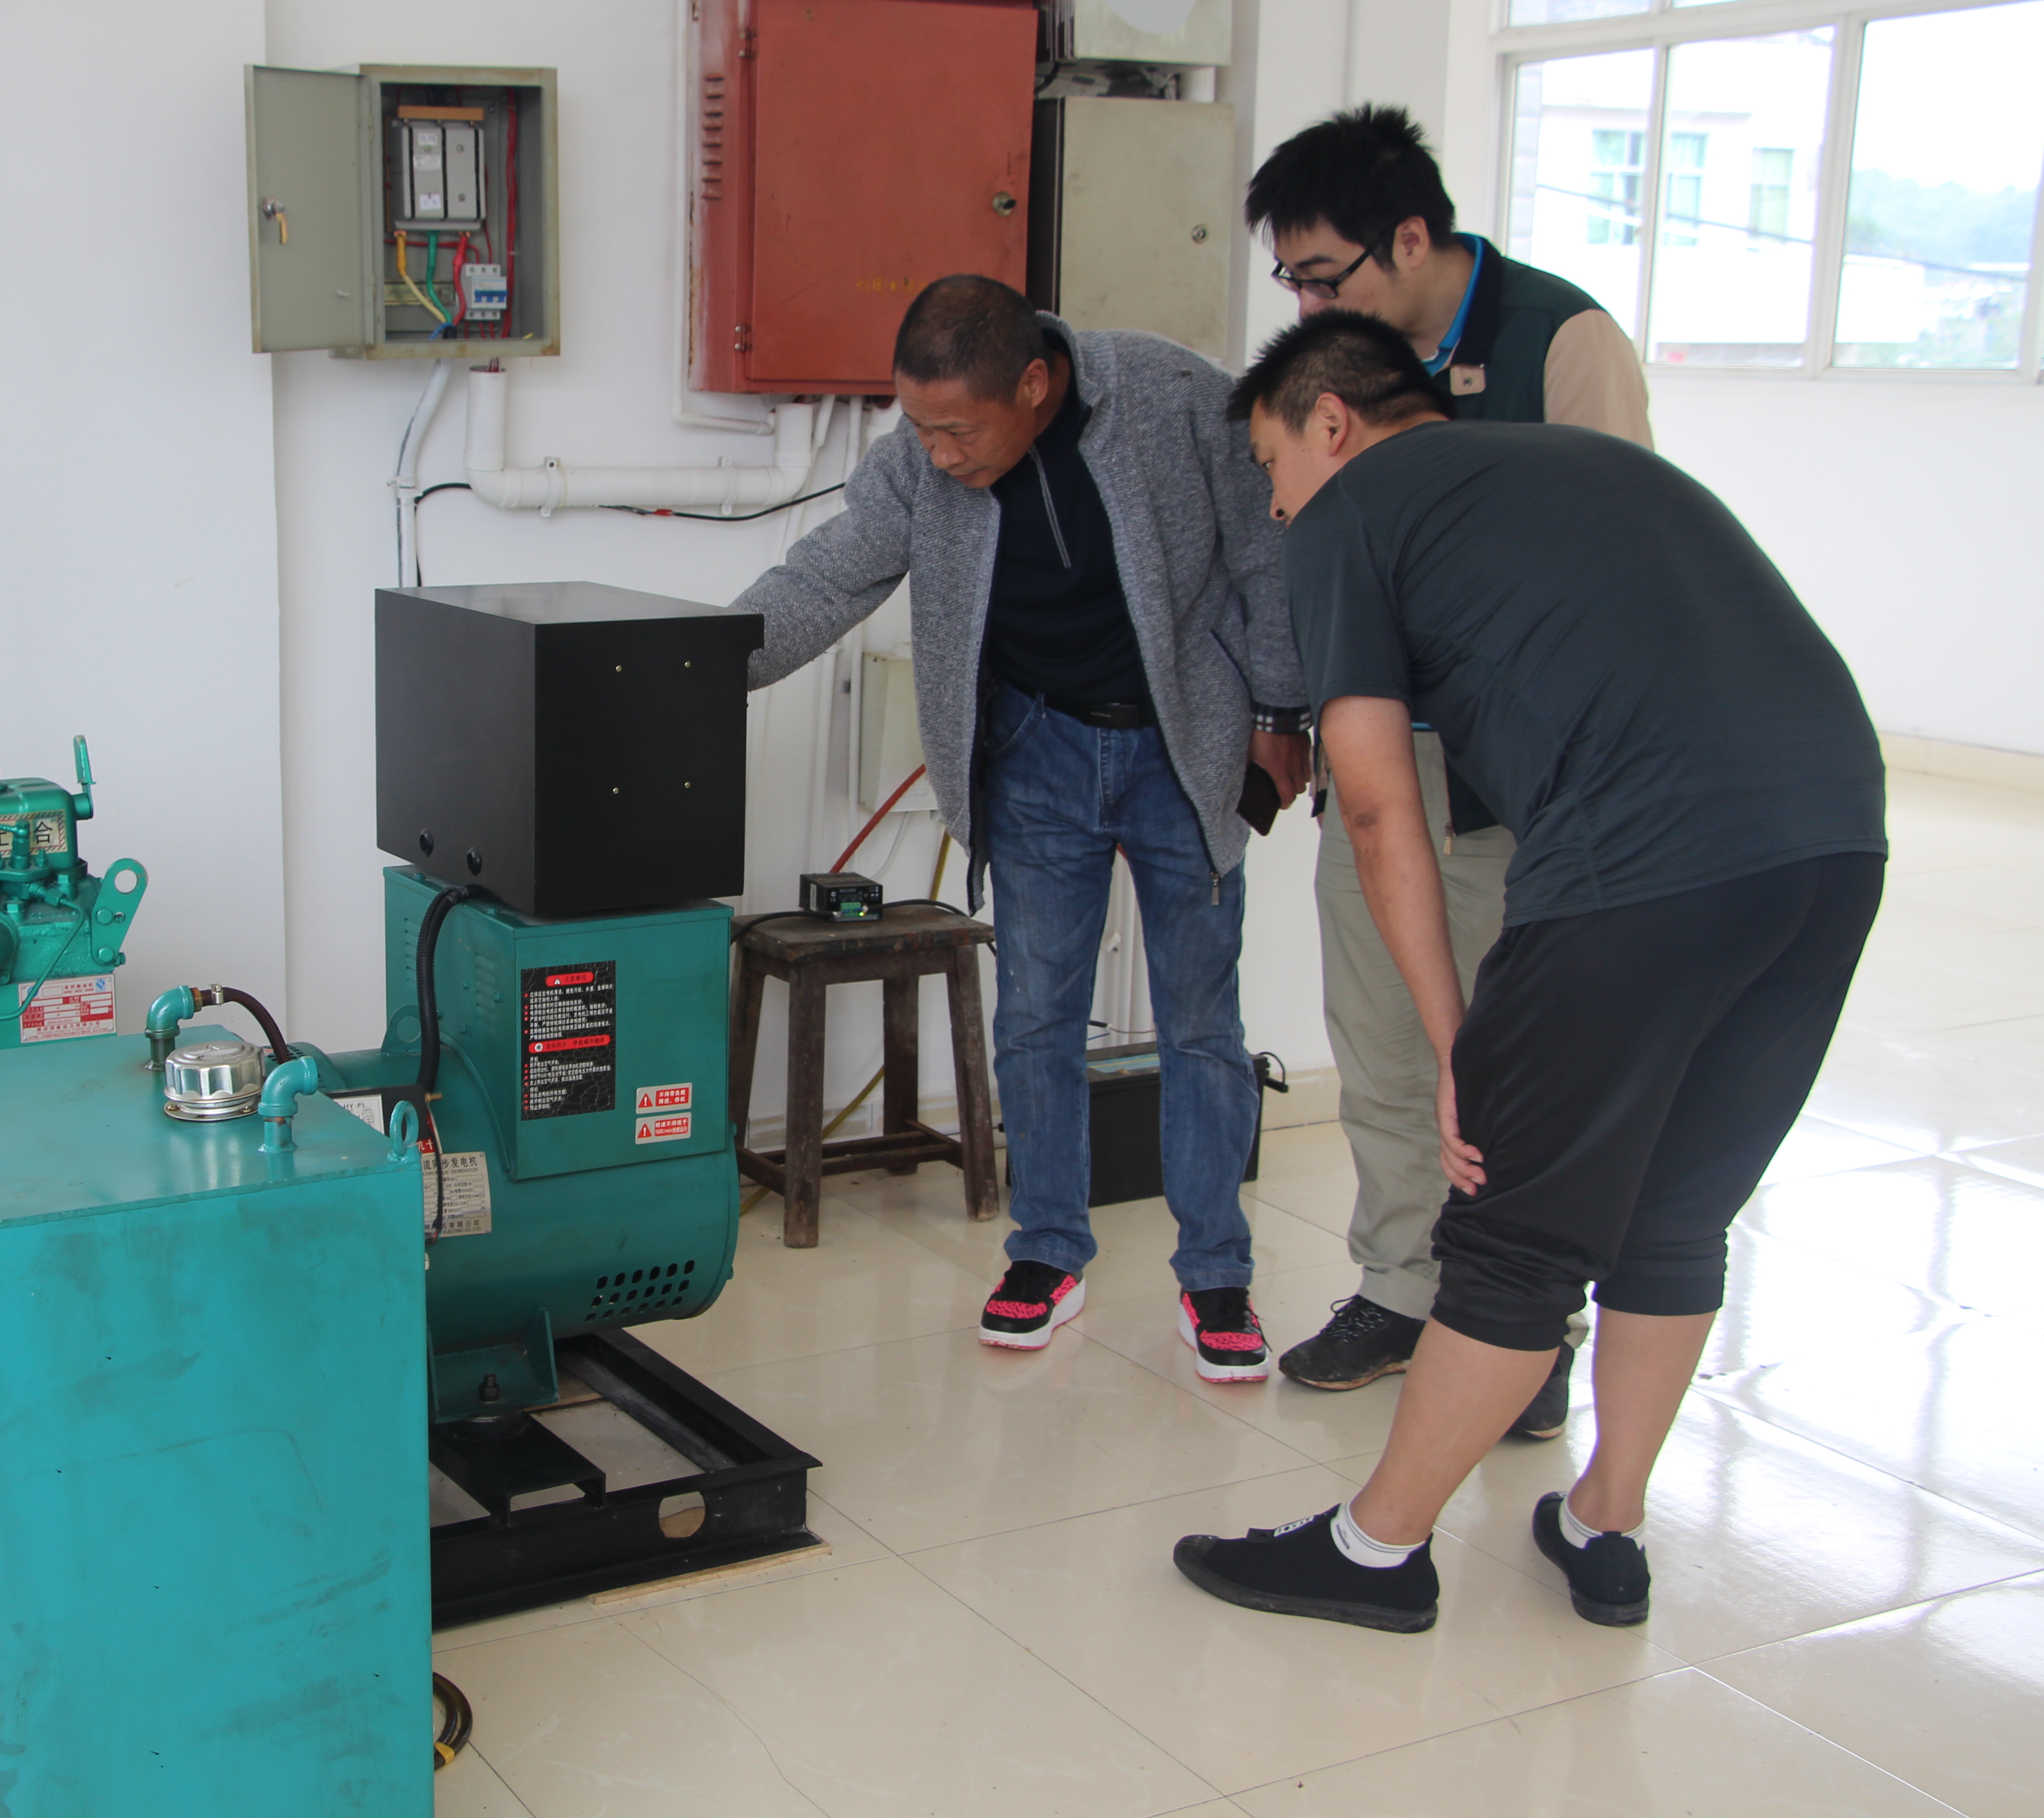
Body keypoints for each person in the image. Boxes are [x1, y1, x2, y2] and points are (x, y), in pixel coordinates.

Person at [1174, 312, 1882, 1633]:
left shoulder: (1353, 511)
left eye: (1271, 464)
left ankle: (1376, 1552)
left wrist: (1462, 1044)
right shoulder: (1591, 466)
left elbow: (1374, 803)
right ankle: (1606, 1524)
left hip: (1642, 862)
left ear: (1331, 420)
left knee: (1513, 1233)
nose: (1274, 505)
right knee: (1675, 1215)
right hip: (1836, 843)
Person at [732, 275, 1309, 1375]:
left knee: (1201, 1020)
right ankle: (1047, 1251)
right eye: (920, 427)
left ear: (1035, 384)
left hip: (1183, 742)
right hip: (1037, 748)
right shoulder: (920, 464)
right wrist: (701, 664)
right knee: (1038, 1015)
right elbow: (829, 574)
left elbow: (1263, 548)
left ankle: (1217, 1275)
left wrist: (1283, 710)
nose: (937, 454)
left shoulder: (1171, 396)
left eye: (958, 430)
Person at [1244, 104, 1653, 1435]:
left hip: (1511, 779)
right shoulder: (1338, 380)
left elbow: (1618, 546)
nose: (1310, 305)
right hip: (1377, 757)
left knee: (1504, 1062)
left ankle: (1527, 1322)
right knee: (1381, 1043)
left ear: (1411, 238)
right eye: (1293, 281)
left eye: (1325, 274)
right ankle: (1401, 1287)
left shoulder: (1558, 341)